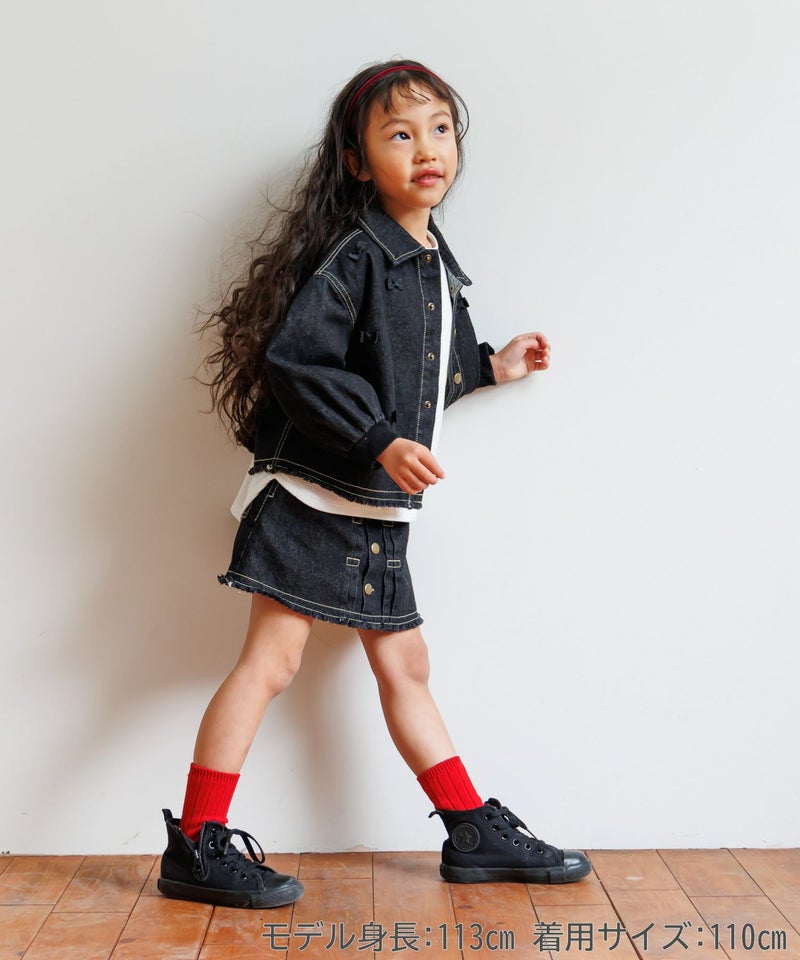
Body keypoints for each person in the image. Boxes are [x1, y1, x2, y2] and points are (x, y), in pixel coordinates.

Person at [157, 58, 592, 910]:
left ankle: (468, 830)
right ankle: (198, 843)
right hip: (313, 494)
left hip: (372, 507)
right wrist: (379, 440)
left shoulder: (431, 259)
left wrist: (491, 367)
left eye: (439, 129)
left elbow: (420, 375)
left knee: (407, 664)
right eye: (399, 134)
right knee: (272, 662)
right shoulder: (360, 253)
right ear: (357, 162)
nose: (426, 148)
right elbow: (298, 361)